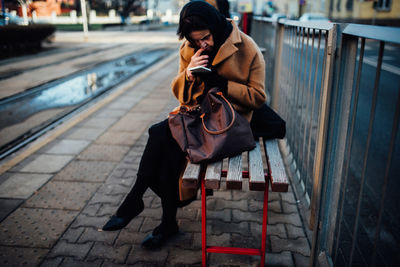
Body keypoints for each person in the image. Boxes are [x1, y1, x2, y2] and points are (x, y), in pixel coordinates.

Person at [101, 1, 266, 250]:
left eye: (207, 37)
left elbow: (259, 98)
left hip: (228, 125)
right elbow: (183, 98)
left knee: (161, 135)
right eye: (196, 40)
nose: (203, 45)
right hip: (197, 118)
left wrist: (222, 84)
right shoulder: (189, 47)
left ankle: (140, 202)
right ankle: (159, 217)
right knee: (164, 142)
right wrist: (189, 75)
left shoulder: (247, 47)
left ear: (216, 26)